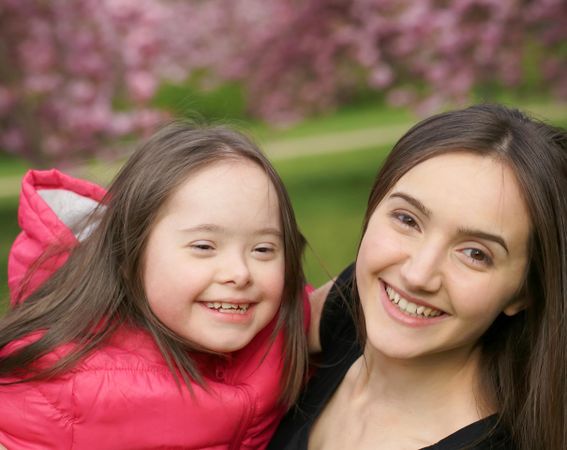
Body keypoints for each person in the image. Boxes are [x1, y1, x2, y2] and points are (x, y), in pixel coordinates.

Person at [269, 104, 567, 450]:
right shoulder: (355, 303)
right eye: (407, 220)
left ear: (524, 292)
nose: (417, 275)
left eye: (475, 254)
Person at [0, 122, 310, 449]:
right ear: (130, 256)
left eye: (263, 249)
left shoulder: (285, 327)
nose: (240, 272)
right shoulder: (61, 381)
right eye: (204, 246)